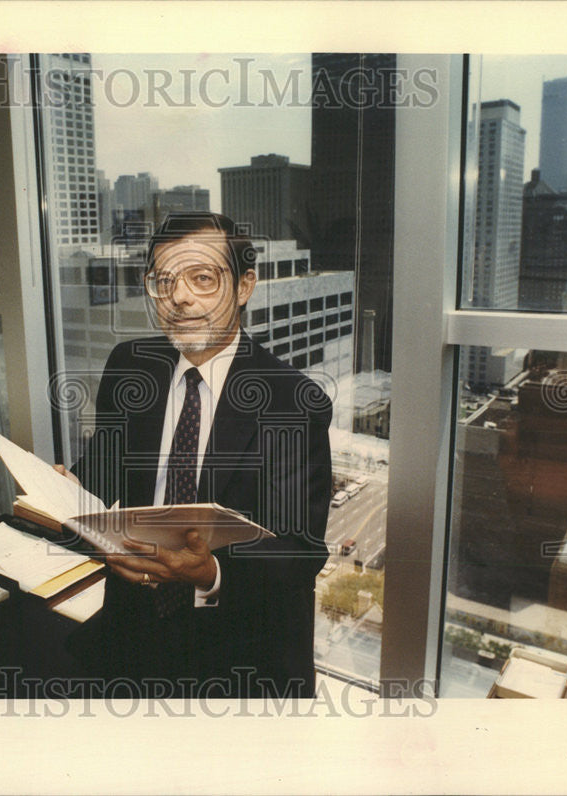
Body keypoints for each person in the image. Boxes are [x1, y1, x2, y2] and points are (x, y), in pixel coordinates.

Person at [61, 212, 332, 698]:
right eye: (163, 282)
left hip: (238, 653)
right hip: (130, 632)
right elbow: (104, 472)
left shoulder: (292, 401)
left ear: (245, 286)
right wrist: (69, 488)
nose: (180, 297)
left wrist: (211, 573)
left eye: (202, 278)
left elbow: (299, 552)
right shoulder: (130, 367)